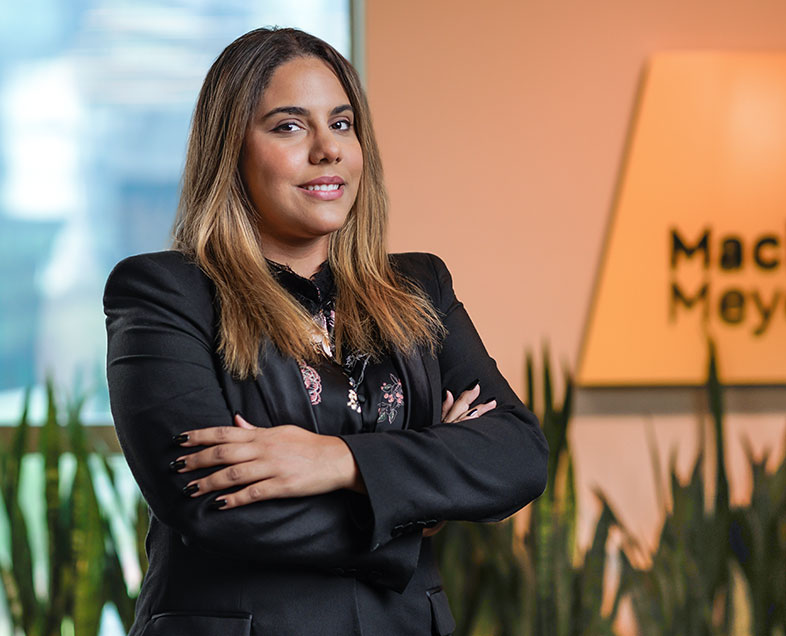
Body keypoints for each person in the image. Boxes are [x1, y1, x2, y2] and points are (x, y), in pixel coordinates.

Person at [104, 27, 548, 636]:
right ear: (230, 149)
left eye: (341, 124)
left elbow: (517, 454)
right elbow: (213, 505)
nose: (327, 150)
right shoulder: (164, 293)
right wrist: (415, 509)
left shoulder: (418, 287)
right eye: (289, 126)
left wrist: (336, 461)